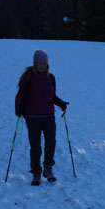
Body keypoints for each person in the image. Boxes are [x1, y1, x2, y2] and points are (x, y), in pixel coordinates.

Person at [15, 50, 69, 185]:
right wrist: (18, 107)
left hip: (48, 115)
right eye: (39, 63)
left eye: (43, 63)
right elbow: (20, 95)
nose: (41, 65)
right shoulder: (28, 77)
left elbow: (52, 96)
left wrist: (61, 103)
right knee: (35, 145)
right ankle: (36, 172)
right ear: (34, 63)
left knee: (51, 142)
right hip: (32, 116)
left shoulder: (51, 78)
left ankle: (48, 168)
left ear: (47, 64)